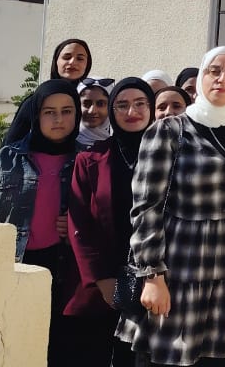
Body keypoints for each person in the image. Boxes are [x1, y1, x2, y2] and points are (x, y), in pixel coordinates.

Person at [121, 47, 225, 367]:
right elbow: (146, 208)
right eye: (214, 71)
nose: (222, 79)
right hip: (179, 266)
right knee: (175, 358)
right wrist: (152, 274)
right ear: (202, 76)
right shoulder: (167, 131)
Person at [0, 79, 84, 366]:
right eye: (49, 112)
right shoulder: (6, 159)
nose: (58, 119)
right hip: (15, 265)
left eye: (67, 111)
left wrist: (75, 224)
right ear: (35, 115)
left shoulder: (86, 161)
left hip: (64, 270)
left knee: (58, 347)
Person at [66, 77, 157, 367]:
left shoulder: (171, 154)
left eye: (140, 103)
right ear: (112, 111)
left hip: (157, 277)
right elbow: (79, 221)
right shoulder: (91, 158)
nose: (132, 112)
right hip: (105, 281)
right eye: (122, 105)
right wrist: (102, 278)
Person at [4, 38, 93, 145]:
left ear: (87, 64)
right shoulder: (36, 101)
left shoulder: (92, 102)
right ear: (56, 61)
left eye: (80, 58)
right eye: (67, 57)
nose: (72, 62)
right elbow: (11, 144)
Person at [78, 77, 115, 147]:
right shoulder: (64, 146)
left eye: (100, 104)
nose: (92, 111)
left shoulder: (119, 148)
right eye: (86, 104)